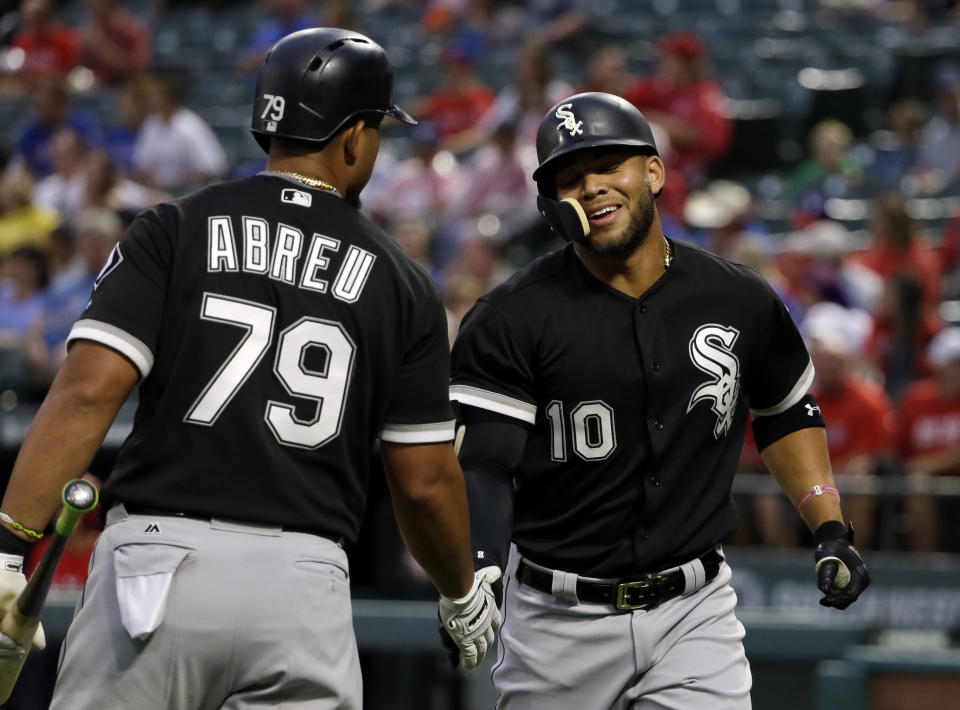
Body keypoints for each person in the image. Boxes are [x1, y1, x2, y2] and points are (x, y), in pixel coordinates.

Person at [0, 28, 500, 709]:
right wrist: (459, 588)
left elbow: (88, 393)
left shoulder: (173, 227)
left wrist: (8, 544)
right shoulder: (402, 281)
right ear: (354, 137)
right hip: (302, 583)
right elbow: (422, 483)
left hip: (155, 565)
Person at [444, 92, 870, 708]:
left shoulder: (737, 297)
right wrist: (479, 564)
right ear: (550, 205)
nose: (591, 186)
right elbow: (484, 462)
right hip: (557, 623)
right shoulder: (512, 316)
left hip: (693, 612)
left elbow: (784, 414)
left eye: (607, 165)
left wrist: (828, 525)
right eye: (570, 178)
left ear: (653, 171)